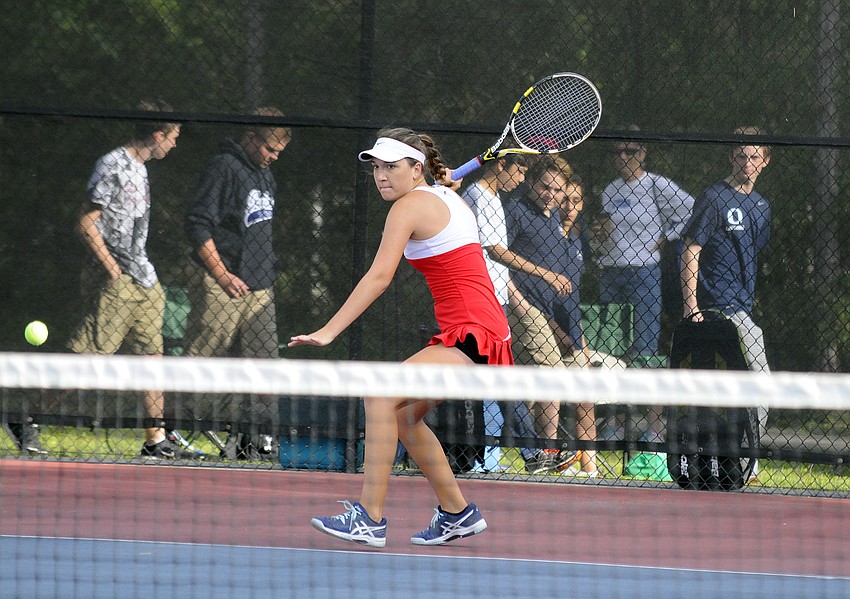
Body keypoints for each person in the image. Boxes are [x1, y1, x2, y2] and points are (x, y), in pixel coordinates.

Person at [290, 127, 509, 548]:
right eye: (376, 167)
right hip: (482, 331)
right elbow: (438, 197)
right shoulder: (445, 196)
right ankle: (457, 512)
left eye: (392, 167)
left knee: (380, 393)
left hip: (473, 333)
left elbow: (379, 277)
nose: (382, 176)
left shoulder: (410, 206)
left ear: (416, 168)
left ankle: (368, 519)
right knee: (405, 415)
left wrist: (328, 330)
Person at [67, 99, 189, 459]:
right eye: (174, 137)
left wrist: (136, 273)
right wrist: (112, 270)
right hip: (117, 281)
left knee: (152, 356)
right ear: (158, 134)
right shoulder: (113, 165)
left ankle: (156, 439)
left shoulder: (141, 167)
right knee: (89, 359)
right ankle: (26, 415)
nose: (175, 144)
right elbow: (86, 222)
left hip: (146, 280)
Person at [183, 107, 291, 460]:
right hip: (223, 282)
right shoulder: (224, 167)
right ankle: (168, 429)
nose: (273, 158)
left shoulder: (265, 175)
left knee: (265, 367)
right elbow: (198, 224)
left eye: (278, 153)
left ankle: (254, 439)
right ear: (250, 138)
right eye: (269, 150)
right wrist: (222, 274)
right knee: (203, 360)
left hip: (260, 289)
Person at [680, 126, 772, 473]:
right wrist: (692, 307)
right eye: (740, 156)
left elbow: (752, 251)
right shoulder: (714, 198)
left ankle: (733, 456)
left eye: (753, 157)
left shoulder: (762, 207)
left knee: (734, 388)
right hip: (716, 309)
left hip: (743, 307)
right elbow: (691, 249)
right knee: (760, 381)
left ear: (765, 161)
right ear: (730, 158)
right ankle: (749, 459)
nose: (746, 163)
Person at [503, 155, 584, 474]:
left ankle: (534, 452)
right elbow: (495, 255)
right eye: (544, 186)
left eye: (557, 188)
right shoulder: (516, 210)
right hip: (520, 308)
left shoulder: (552, 218)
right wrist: (517, 301)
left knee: (531, 387)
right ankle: (547, 452)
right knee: (553, 375)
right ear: (531, 182)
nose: (550, 193)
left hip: (544, 314)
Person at [459, 154, 539, 472]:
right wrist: (544, 274)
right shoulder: (479, 197)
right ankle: (530, 452)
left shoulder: (491, 199)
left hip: (492, 301)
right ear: (501, 166)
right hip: (481, 304)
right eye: (519, 170)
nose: (521, 179)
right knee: (497, 377)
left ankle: (485, 456)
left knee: (491, 378)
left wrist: (513, 296)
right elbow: (494, 251)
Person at [597, 126, 695, 363]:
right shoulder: (610, 189)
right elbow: (605, 225)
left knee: (643, 345)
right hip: (610, 271)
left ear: (642, 153)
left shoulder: (655, 184)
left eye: (629, 151)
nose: (623, 157)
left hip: (643, 272)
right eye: (618, 152)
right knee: (610, 347)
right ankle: (613, 400)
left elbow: (693, 209)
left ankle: (639, 399)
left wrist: (668, 236)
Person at [549, 174, 598, 477]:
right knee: (549, 393)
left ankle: (590, 468)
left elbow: (574, 294)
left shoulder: (578, 239)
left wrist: (578, 337)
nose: (569, 206)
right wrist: (556, 331)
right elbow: (534, 293)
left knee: (585, 395)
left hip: (573, 330)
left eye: (577, 201)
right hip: (546, 326)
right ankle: (548, 458)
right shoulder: (545, 238)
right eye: (564, 199)